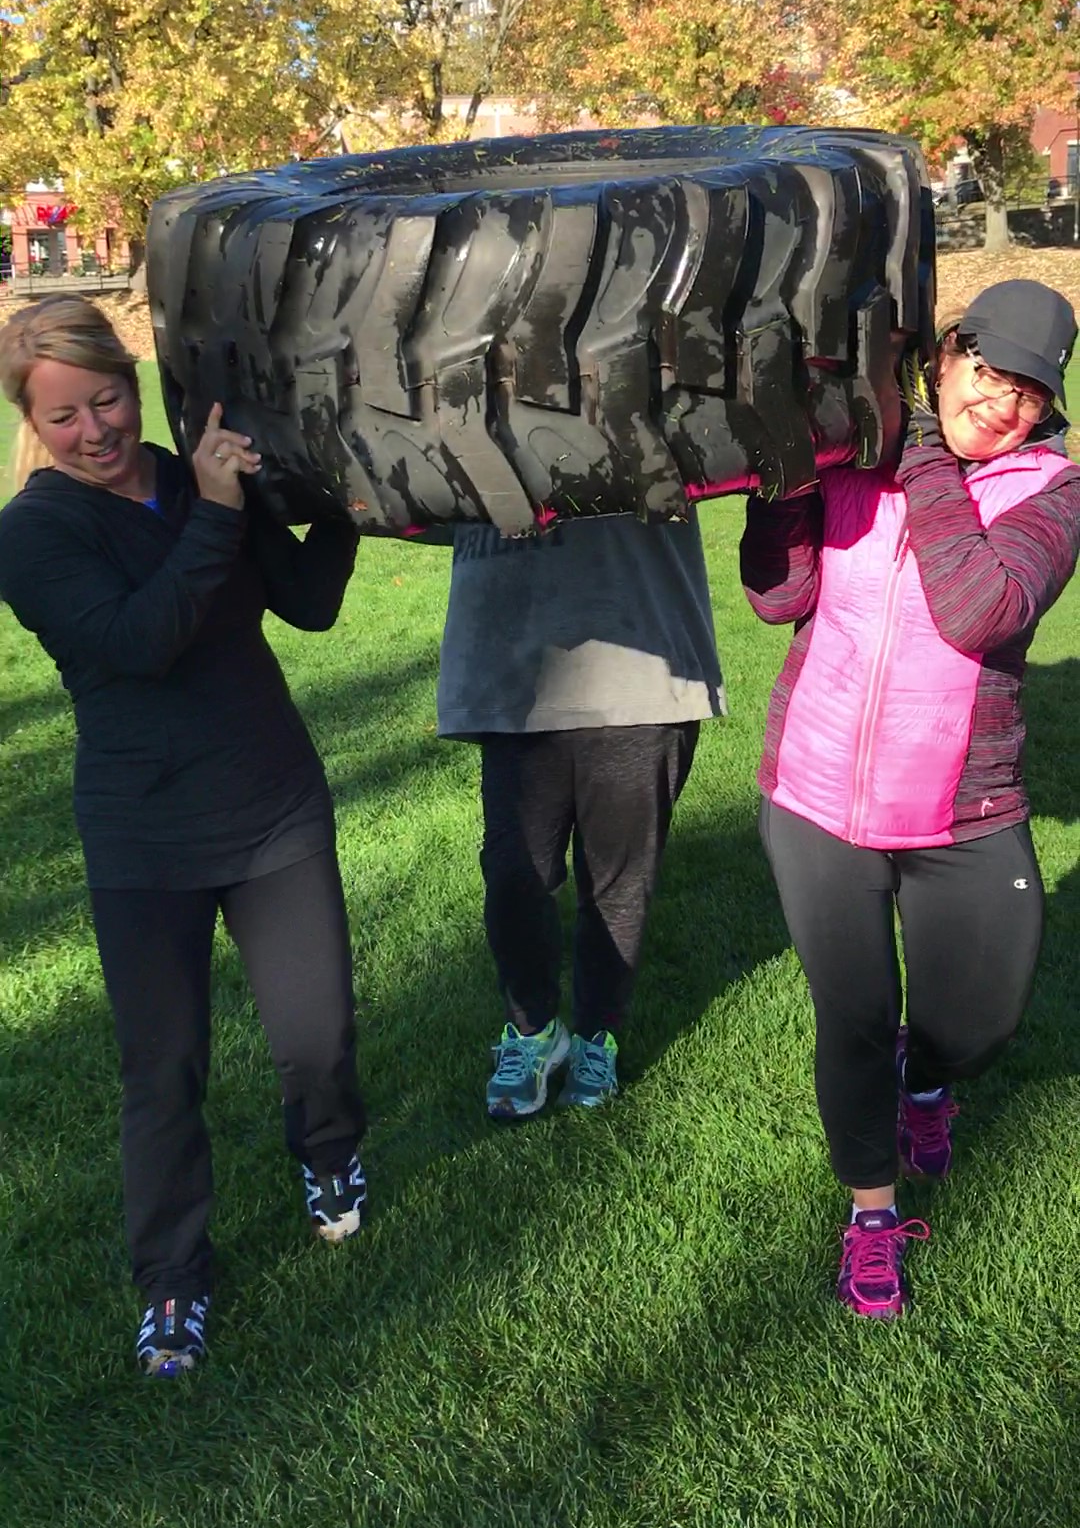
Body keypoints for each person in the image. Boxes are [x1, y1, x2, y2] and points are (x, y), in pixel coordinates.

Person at [0, 297, 367, 1377]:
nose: (97, 431)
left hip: (273, 803)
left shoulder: (197, 468)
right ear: (31, 418)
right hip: (145, 833)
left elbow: (305, 604)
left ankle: (331, 1157)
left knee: (318, 1035)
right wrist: (214, 507)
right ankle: (171, 1285)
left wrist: (347, 507)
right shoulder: (32, 535)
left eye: (107, 399)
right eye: (63, 416)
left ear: (134, 380)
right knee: (163, 1072)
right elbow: (137, 641)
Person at [740, 279, 1080, 1318]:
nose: (1003, 403)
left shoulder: (1050, 490)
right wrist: (786, 487)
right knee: (850, 1019)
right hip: (816, 799)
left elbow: (980, 610)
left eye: (1028, 389)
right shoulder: (857, 459)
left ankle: (929, 1078)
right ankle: (874, 1217)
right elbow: (778, 597)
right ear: (944, 355)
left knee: (979, 1015)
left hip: (960, 811)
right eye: (987, 370)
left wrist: (921, 447)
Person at [437, 508, 723, 1116]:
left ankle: (596, 1035)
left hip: (641, 658)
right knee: (516, 874)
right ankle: (535, 1030)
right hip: (516, 660)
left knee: (620, 881)